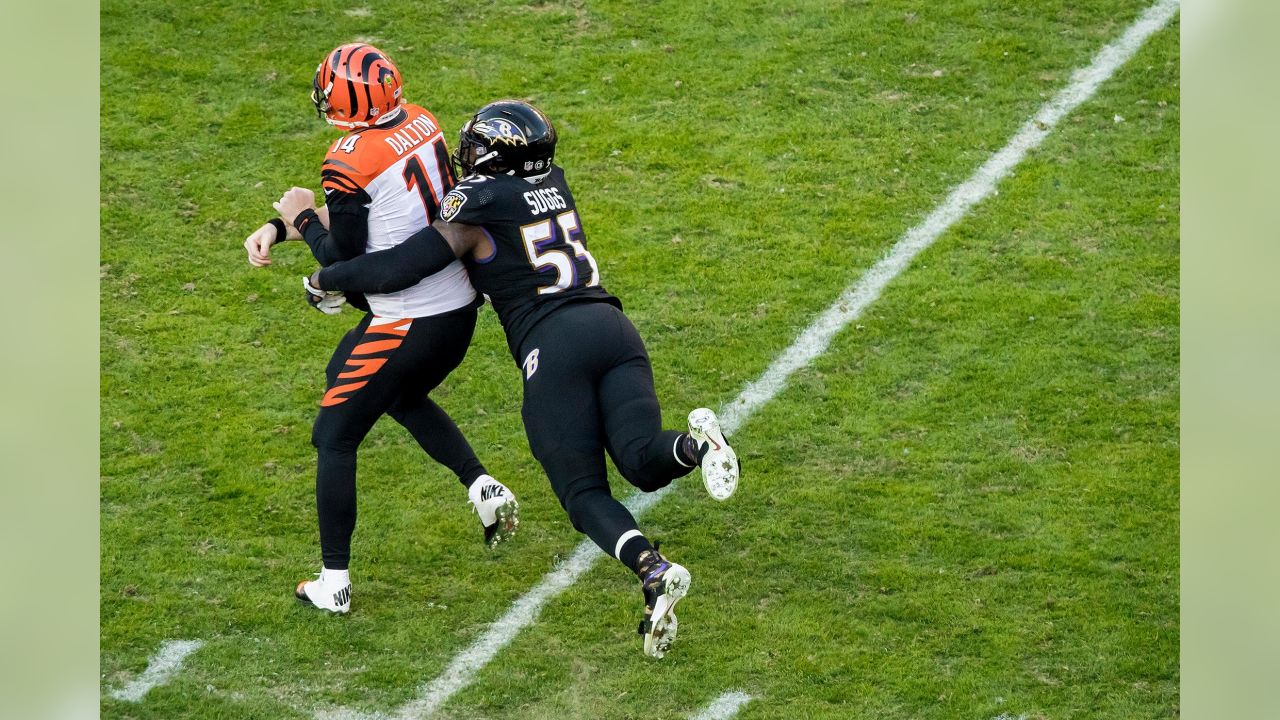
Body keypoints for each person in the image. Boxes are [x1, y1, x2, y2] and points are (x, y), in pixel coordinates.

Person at [308, 100, 740, 657]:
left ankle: (653, 567)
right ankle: (694, 447)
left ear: (493, 155)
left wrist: (326, 276)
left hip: (553, 345)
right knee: (642, 460)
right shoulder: (552, 181)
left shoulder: (479, 203)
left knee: (583, 492)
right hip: (614, 327)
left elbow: (399, 268)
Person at [241, 44, 518, 615]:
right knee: (365, 379)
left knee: (334, 435)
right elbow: (385, 218)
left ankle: (333, 582)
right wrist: (281, 225)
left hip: (409, 317)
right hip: (458, 307)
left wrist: (298, 216)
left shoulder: (346, 159)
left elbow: (343, 251)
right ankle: (481, 486)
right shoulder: (423, 122)